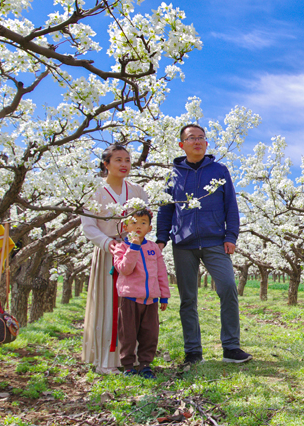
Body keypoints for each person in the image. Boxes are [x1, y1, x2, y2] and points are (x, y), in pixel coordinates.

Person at [156, 123, 251, 365]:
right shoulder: (172, 175)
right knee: (188, 298)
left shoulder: (219, 170)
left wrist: (231, 237)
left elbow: (231, 205)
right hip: (183, 243)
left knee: (228, 287)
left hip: (215, 241)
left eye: (201, 138)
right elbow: (166, 209)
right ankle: (193, 352)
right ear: (182, 145)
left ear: (206, 143)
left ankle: (231, 347)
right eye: (191, 138)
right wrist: (161, 239)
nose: (197, 141)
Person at [80, 143, 149, 374]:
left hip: (133, 251)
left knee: (131, 305)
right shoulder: (94, 191)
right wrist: (109, 243)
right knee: (109, 304)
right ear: (106, 164)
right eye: (118, 160)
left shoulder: (138, 191)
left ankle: (132, 357)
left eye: (127, 160)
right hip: (108, 251)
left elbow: (146, 220)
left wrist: (135, 241)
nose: (124, 164)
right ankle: (107, 359)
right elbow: (88, 226)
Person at [112, 209, 169, 380]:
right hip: (129, 298)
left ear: (150, 228)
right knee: (127, 334)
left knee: (150, 334)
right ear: (125, 226)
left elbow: (161, 273)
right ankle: (128, 365)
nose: (138, 226)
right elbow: (124, 269)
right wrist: (134, 247)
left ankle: (145, 364)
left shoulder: (153, 248)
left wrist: (164, 295)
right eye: (134, 222)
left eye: (143, 223)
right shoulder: (121, 247)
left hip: (150, 300)